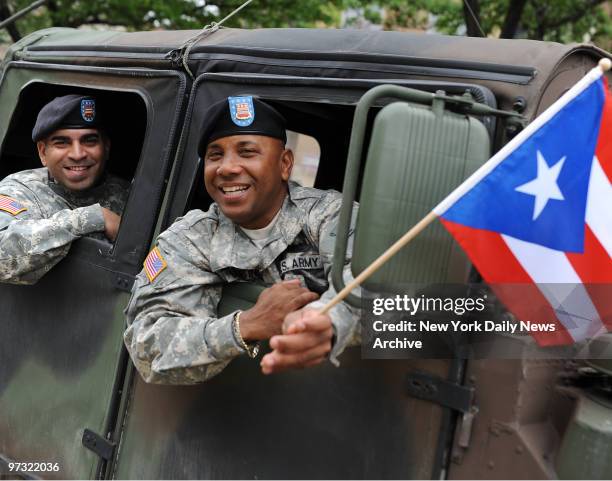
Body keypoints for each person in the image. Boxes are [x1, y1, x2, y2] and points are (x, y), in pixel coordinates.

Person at [124, 96, 360, 384]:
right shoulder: (190, 238)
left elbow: (375, 282)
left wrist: (327, 320)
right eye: (215, 155)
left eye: (247, 152)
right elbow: (146, 343)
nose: (227, 168)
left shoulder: (329, 213)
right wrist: (243, 326)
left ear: (284, 164)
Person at [0, 94, 130, 285]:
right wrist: (94, 217)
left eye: (89, 141)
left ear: (106, 147)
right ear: (43, 152)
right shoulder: (20, 190)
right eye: (62, 142)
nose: (77, 154)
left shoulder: (129, 194)